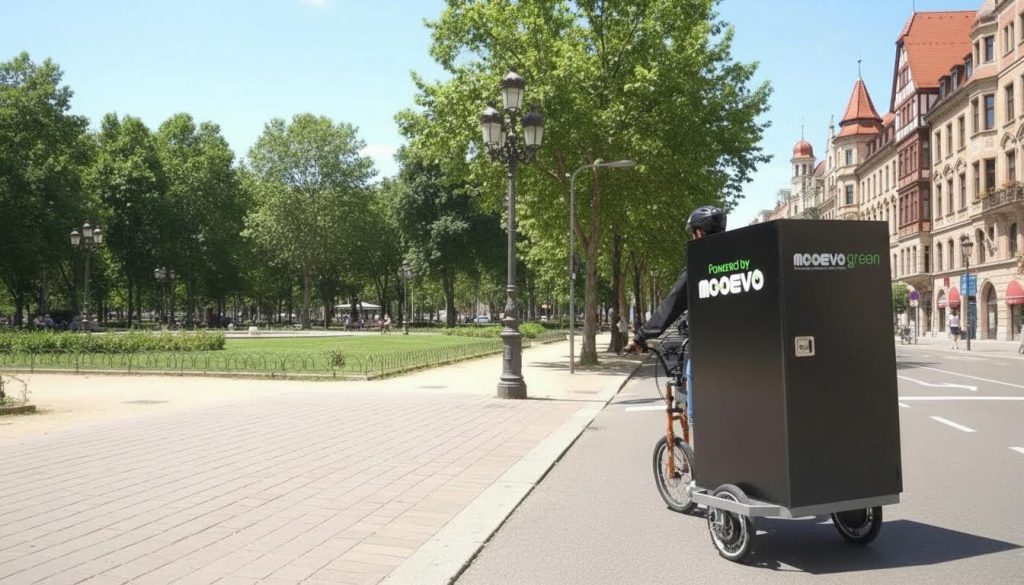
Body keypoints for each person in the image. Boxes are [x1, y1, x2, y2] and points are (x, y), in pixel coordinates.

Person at [624, 206, 728, 432]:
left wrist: (641, 337)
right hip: (748, 351)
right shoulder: (743, 258)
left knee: (698, 416)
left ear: (699, 233)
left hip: (708, 352)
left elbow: (671, 305)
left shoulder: (698, 265)